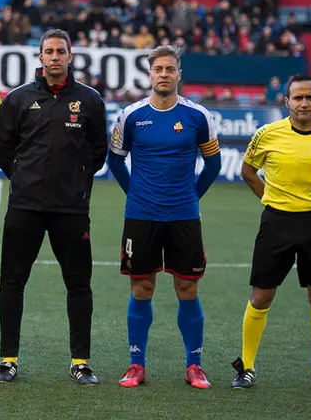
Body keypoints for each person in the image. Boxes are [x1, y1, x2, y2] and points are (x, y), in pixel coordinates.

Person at [0, 29, 108, 385]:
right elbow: (2, 150)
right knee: (13, 281)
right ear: (39, 57)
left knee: (78, 285)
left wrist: (75, 181)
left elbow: (98, 152)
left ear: (71, 57)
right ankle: (8, 359)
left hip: (71, 210)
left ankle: (80, 361)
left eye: (61, 51)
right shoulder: (18, 99)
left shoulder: (89, 101)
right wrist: (24, 177)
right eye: (49, 51)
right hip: (25, 207)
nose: (55, 57)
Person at [107, 45, 221, 389]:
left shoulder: (198, 116)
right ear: (150, 74)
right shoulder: (131, 115)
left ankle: (194, 365)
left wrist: (190, 197)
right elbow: (115, 161)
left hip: (183, 217)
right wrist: (136, 194)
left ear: (179, 74)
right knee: (141, 288)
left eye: (170, 69)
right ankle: (136, 364)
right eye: (158, 69)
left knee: (187, 287)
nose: (164, 74)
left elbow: (212, 164)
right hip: (141, 216)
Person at [232, 74, 311, 393]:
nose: (303, 103)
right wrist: (272, 199)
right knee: (261, 296)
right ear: (286, 102)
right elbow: (247, 171)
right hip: (276, 223)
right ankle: (245, 367)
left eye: (309, 97)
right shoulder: (266, 134)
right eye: (297, 98)